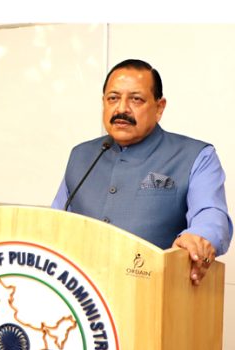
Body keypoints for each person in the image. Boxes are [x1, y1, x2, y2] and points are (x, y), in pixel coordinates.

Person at [52, 59, 232, 285]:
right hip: (81, 297)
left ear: (159, 107)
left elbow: (211, 214)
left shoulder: (196, 156)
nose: (122, 109)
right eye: (113, 98)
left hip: (154, 298)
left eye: (136, 99)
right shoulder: (81, 155)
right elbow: (55, 222)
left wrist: (199, 238)